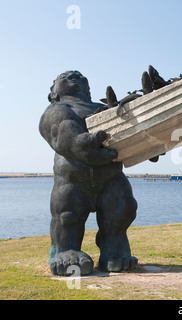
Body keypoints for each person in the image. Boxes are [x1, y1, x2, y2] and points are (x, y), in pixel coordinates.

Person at [39, 71, 138, 275]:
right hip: (72, 179)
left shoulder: (102, 109)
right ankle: (65, 250)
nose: (73, 75)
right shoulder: (57, 108)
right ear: (54, 93)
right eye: (64, 77)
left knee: (121, 208)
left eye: (79, 76)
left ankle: (114, 248)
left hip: (110, 176)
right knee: (67, 216)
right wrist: (76, 143)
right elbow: (57, 129)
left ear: (89, 88)